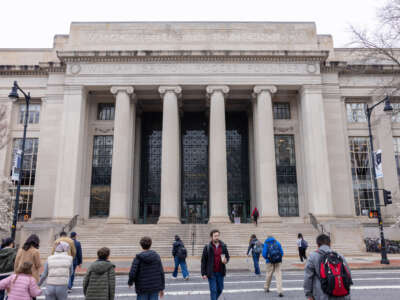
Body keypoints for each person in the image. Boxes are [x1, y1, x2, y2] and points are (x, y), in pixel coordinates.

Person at [304, 234, 352, 300]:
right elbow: (348, 274)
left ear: (318, 245)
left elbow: (308, 277)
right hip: (342, 295)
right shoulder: (339, 255)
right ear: (330, 244)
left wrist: (308, 294)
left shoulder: (313, 256)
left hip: (322, 295)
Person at [201, 229, 230, 300]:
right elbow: (203, 261)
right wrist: (203, 273)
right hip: (211, 272)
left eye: (218, 235)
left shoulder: (223, 246)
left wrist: (226, 260)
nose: (217, 237)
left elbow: (227, 256)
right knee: (213, 290)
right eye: (215, 236)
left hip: (220, 271)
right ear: (211, 237)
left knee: (220, 289)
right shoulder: (207, 247)